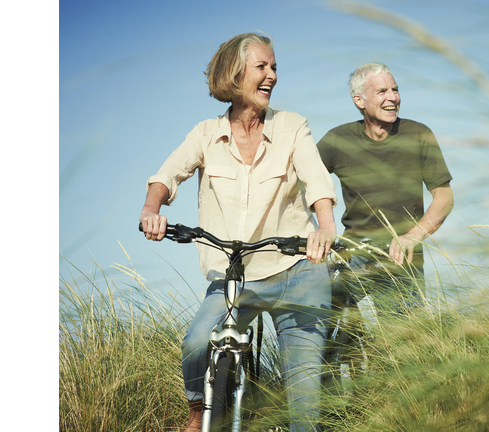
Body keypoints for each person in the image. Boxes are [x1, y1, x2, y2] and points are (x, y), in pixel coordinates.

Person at [139, 32, 336, 432]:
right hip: (234, 278)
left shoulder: (292, 127)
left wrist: (326, 225)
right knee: (197, 344)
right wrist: (151, 209)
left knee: (304, 407)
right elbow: (167, 175)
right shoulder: (206, 134)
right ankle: (201, 411)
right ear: (235, 73)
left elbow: (317, 181)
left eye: (275, 67)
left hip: (297, 271)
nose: (272, 76)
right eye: (262, 66)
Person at [316, 62, 454, 310]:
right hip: (353, 253)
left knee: (403, 342)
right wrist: (323, 226)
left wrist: (412, 236)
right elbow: (307, 182)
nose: (393, 97)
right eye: (382, 92)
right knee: (324, 318)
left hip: (400, 257)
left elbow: (444, 198)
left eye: (395, 89)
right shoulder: (336, 140)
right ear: (359, 100)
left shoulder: (419, 134)